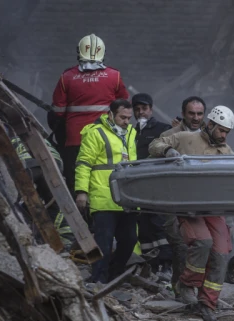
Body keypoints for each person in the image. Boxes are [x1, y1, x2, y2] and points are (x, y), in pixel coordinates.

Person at [148, 105, 234, 321]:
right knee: (203, 242)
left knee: (222, 252)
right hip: (189, 205)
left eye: (227, 132)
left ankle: (207, 303)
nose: (224, 135)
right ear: (211, 124)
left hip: (213, 208)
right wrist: (168, 151)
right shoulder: (186, 138)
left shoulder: (226, 151)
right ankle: (187, 284)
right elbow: (154, 144)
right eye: (221, 130)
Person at [50, 33, 129, 196]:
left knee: (77, 179)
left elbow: (57, 110)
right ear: (103, 53)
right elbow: (124, 105)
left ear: (79, 52)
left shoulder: (67, 77)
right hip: (106, 137)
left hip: (75, 139)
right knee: (105, 176)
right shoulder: (115, 76)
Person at [74, 99, 137, 283]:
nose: (126, 121)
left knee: (129, 240)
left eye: (129, 118)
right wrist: (81, 191)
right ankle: (98, 279)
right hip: (103, 196)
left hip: (127, 199)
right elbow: (84, 163)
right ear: (110, 114)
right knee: (104, 242)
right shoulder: (95, 133)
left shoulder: (131, 133)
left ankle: (113, 274)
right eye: (122, 117)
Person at [160, 96, 206, 297]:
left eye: (199, 114)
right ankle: (180, 289)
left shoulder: (210, 135)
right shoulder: (170, 135)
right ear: (183, 113)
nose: (196, 118)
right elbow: (155, 150)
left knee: (205, 244)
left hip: (202, 199)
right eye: (191, 113)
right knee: (180, 244)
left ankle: (201, 291)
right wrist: (167, 150)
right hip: (175, 200)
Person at [131, 92, 173, 272]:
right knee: (145, 226)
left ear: (151, 109)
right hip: (137, 186)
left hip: (157, 186)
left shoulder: (162, 129)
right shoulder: (131, 132)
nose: (141, 112)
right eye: (137, 109)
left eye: (144, 109)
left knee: (159, 224)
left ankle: (168, 265)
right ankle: (152, 264)